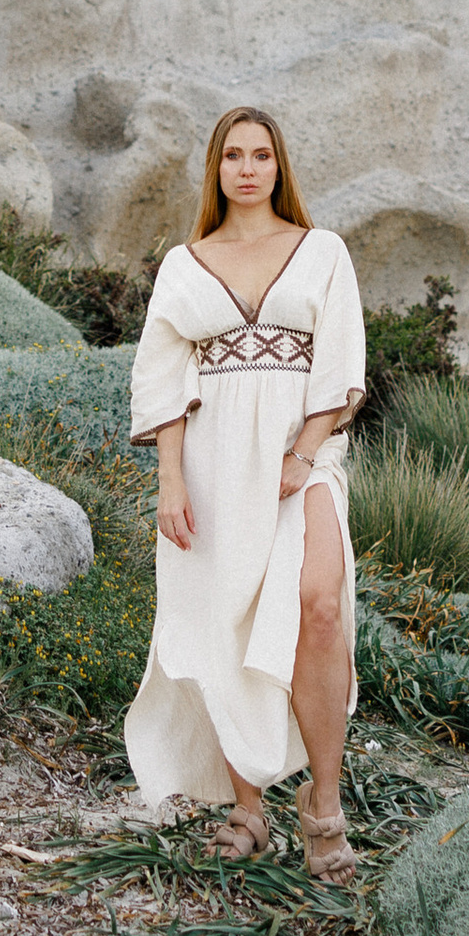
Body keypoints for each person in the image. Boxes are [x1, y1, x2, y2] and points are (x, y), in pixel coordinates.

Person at [125, 106, 367, 883]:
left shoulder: (321, 250)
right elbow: (161, 378)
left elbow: (342, 359)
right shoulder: (183, 263)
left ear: (279, 165)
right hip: (212, 462)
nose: (248, 168)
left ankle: (323, 813)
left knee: (319, 606)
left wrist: (302, 452)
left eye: (262, 154)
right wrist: (169, 479)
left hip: (307, 455)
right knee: (225, 619)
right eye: (233, 155)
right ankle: (248, 809)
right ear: (216, 169)